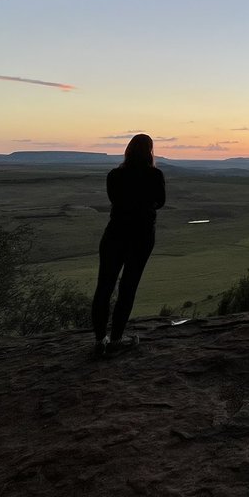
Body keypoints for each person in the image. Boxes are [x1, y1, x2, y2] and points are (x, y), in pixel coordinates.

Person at [91, 133, 165, 358]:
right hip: (141, 236)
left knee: (104, 286)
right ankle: (116, 340)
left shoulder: (115, 175)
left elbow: (114, 200)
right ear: (150, 151)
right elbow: (160, 202)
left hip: (115, 234)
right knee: (128, 287)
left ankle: (99, 340)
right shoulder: (154, 174)